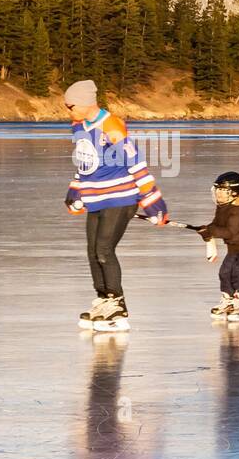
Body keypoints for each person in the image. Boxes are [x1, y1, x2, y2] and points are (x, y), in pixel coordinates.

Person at [62, 79, 168, 330]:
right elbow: (84, 164)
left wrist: (153, 202)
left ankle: (118, 307)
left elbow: (135, 162)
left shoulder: (111, 125)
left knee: (104, 250)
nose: (67, 110)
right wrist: (75, 191)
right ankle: (103, 298)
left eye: (70, 105)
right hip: (95, 198)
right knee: (92, 251)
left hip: (120, 198)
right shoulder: (78, 127)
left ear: (86, 103)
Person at [197, 171, 239, 320]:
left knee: (238, 271)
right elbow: (217, 225)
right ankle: (228, 299)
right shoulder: (223, 206)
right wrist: (207, 229)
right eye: (217, 190)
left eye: (223, 191)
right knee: (224, 271)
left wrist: (211, 231)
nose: (219, 194)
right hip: (234, 247)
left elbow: (230, 232)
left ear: (234, 193)